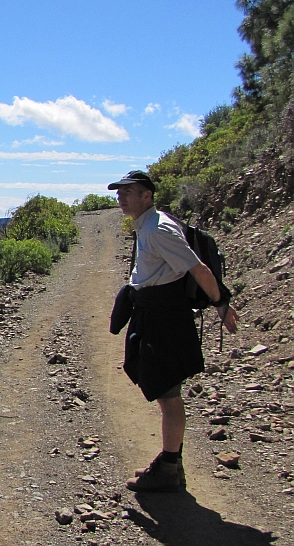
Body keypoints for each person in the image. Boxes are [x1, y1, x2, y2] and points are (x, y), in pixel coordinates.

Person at [108, 170, 239, 492]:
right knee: (163, 388)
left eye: (129, 192)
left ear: (147, 196)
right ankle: (170, 463)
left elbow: (198, 268)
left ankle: (169, 467)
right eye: (119, 192)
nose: (121, 197)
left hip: (165, 318)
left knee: (168, 393)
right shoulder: (150, 225)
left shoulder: (158, 230)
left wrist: (221, 302)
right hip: (154, 313)